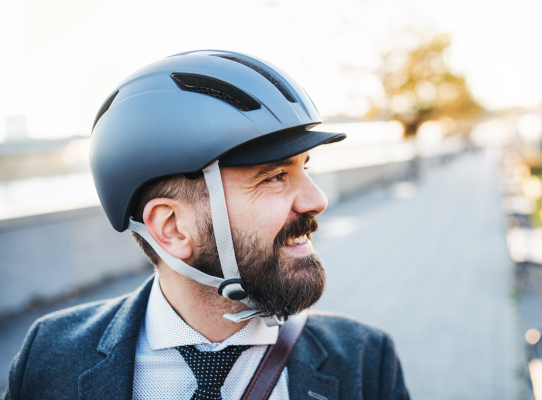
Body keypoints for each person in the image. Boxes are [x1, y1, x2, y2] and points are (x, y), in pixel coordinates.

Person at [3, 50, 410, 400]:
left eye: (305, 168)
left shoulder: (364, 361)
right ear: (173, 227)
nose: (317, 200)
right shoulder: (49, 356)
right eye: (274, 177)